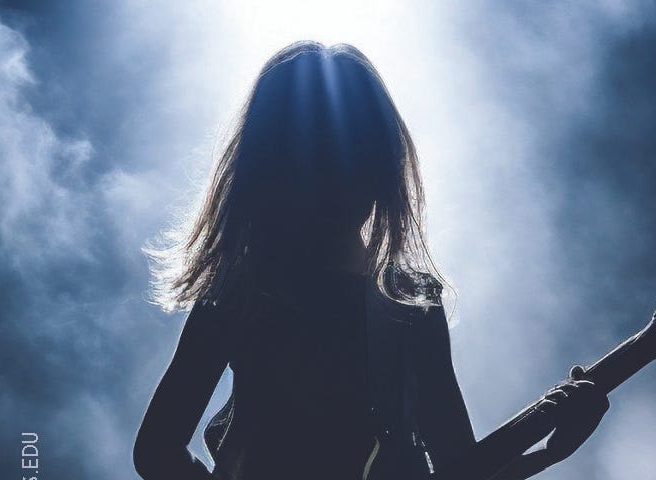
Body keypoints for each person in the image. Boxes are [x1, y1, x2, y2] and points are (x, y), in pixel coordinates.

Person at [134, 41, 608, 480]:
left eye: (350, 159)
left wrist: (549, 453)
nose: (333, 183)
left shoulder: (411, 300)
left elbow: (459, 468)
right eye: (316, 160)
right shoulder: (239, 291)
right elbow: (157, 449)